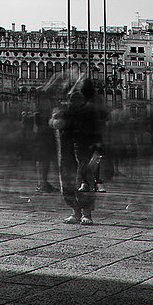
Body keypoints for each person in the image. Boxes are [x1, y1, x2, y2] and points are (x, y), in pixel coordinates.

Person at [50, 77, 104, 225]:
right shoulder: (64, 109)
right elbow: (55, 124)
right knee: (68, 179)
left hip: (83, 147)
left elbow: (96, 129)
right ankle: (76, 212)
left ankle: (86, 213)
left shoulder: (89, 110)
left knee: (84, 179)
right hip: (66, 148)